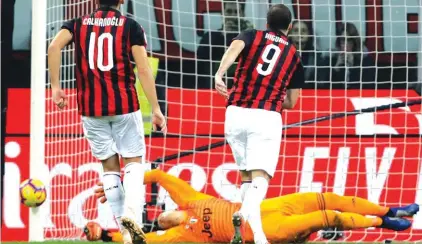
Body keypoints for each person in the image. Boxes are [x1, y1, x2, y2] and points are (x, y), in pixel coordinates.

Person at [47, 0, 167, 242]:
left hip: (91, 109)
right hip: (124, 106)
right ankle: (132, 217)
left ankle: (124, 228)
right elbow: (143, 69)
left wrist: (56, 87)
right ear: (121, 0)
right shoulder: (130, 26)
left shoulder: (77, 24)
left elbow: (54, 46)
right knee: (133, 163)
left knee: (109, 168)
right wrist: (155, 108)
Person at [85, 169, 419, 243]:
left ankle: (387, 210)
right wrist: (103, 235)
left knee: (327, 196)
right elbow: (134, 241)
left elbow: (156, 174)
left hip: (266, 206)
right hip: (259, 231)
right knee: (324, 217)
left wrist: (116, 185)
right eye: (160, 221)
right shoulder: (181, 238)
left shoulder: (188, 199)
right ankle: (382, 225)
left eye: (160, 215)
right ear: (164, 224)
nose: (163, 217)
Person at [214, 4, 305, 244]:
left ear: (267, 23)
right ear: (290, 27)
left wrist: (220, 73)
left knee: (246, 177)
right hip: (265, 115)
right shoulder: (294, 55)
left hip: (235, 112)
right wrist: (272, 93)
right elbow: (292, 101)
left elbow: (235, 47)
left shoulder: (252, 35)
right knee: (260, 178)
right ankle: (243, 213)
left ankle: (258, 237)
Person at [196, 0, 253, 88]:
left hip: (242, 87)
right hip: (214, 86)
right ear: (223, 14)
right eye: (229, 11)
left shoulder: (250, 37)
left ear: (242, 15)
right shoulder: (210, 36)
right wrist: (223, 35)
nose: (233, 15)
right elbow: (201, 56)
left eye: (236, 12)